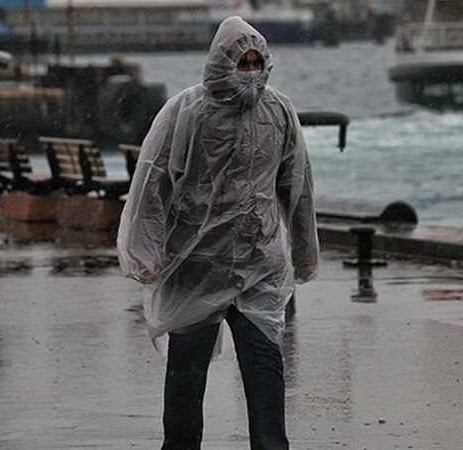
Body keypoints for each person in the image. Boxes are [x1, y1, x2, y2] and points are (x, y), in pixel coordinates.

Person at [116, 17, 319, 450]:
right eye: (240, 62)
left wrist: (304, 252)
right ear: (220, 62)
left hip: (257, 264)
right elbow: (152, 184)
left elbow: (296, 185)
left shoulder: (278, 111)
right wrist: (145, 252)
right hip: (196, 264)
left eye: (255, 62)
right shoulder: (185, 112)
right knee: (187, 379)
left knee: (265, 370)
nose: (249, 72)